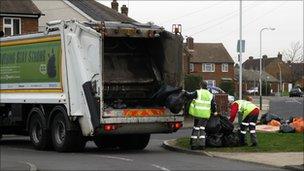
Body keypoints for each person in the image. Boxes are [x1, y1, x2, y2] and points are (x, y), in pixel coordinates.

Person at [184, 81, 217, 150]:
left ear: (200, 85)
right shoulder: (210, 94)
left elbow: (189, 95)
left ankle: (194, 145)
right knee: (202, 129)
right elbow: (213, 104)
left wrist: (184, 92)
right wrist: (215, 112)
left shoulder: (198, 92)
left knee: (196, 128)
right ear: (206, 86)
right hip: (206, 115)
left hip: (198, 114)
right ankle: (202, 145)